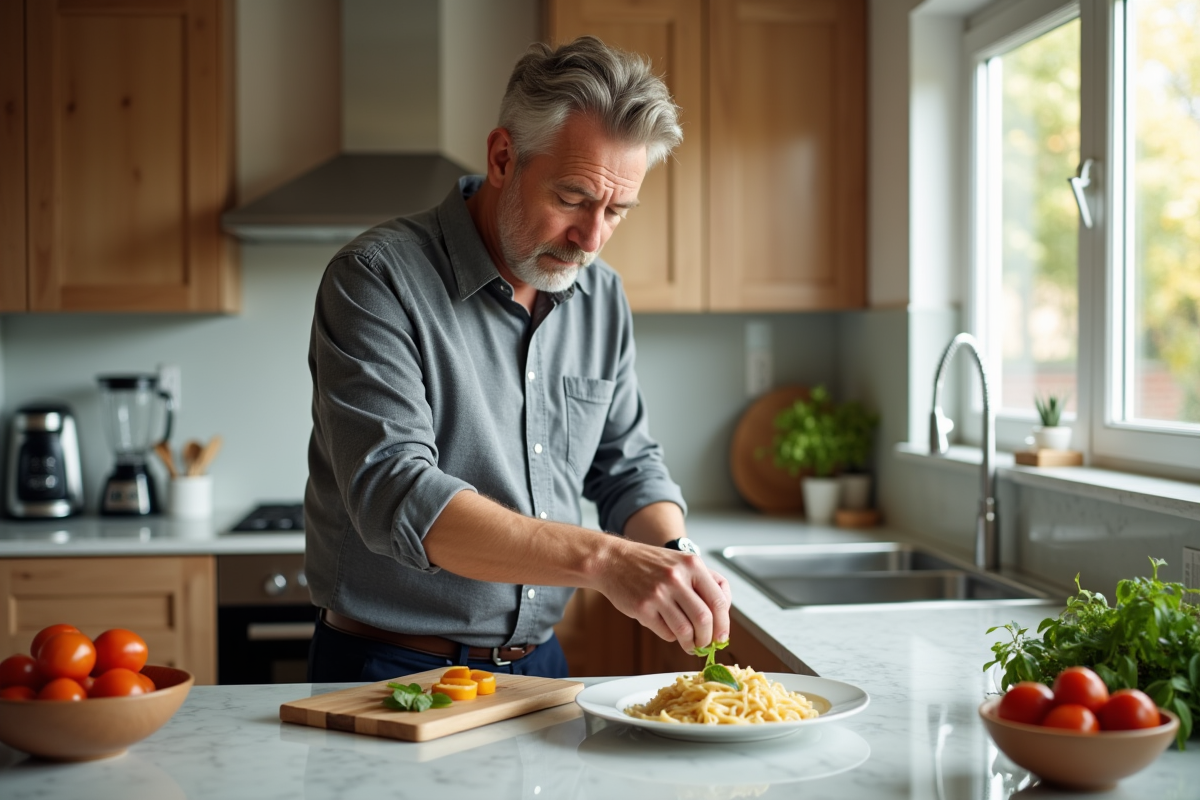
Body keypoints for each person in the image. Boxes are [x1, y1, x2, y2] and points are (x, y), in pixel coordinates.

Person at [304, 35, 730, 682]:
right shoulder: (376, 278)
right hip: (392, 669)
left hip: (541, 666)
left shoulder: (600, 296)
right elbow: (398, 492)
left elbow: (627, 469)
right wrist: (607, 561)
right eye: (573, 198)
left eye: (617, 211)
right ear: (504, 157)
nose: (591, 238)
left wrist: (674, 555)